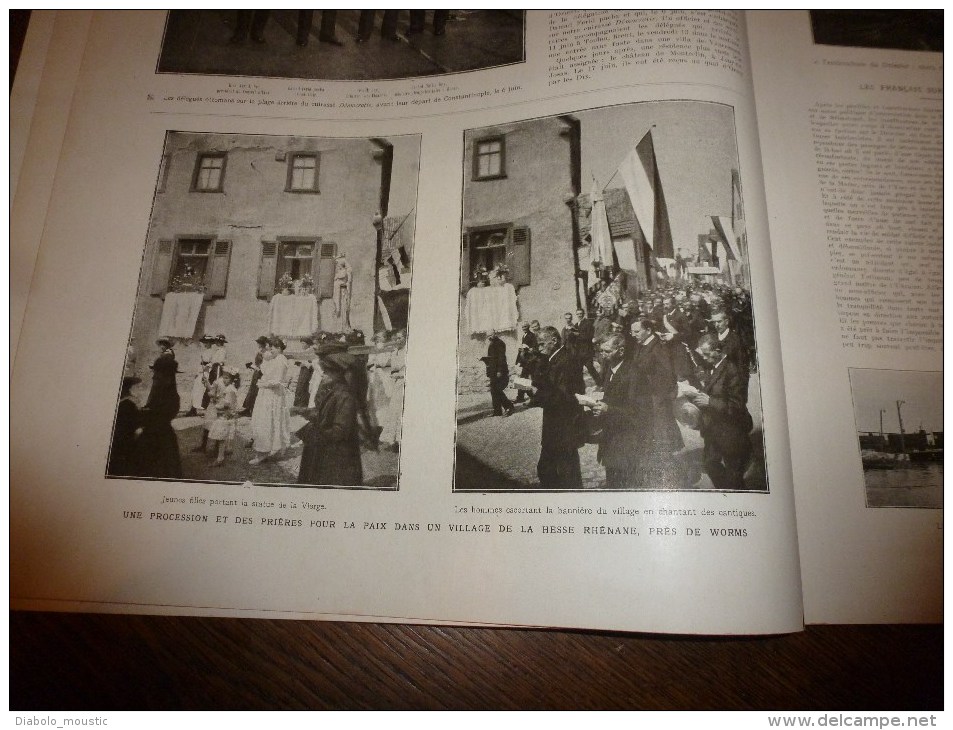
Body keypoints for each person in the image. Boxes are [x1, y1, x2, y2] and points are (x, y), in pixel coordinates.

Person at [687, 334, 754, 490]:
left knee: (734, 477)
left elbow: (737, 405)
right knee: (710, 464)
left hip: (732, 433)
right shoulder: (714, 366)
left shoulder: (733, 370)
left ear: (717, 350)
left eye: (706, 353)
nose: (703, 357)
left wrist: (710, 401)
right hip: (714, 430)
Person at [296, 342, 363, 487]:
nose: (322, 375)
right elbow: (324, 413)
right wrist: (305, 412)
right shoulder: (331, 389)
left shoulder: (345, 395)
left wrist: (316, 433)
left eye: (325, 372)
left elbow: (340, 431)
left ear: (337, 373)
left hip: (337, 457)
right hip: (324, 451)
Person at [531, 327, 584, 490]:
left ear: (553, 341)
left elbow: (562, 396)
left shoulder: (565, 360)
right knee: (551, 469)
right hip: (556, 425)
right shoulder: (554, 359)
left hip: (563, 426)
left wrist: (537, 394)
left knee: (564, 471)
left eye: (541, 344)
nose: (539, 348)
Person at [136, 339, 182, 479]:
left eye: (156, 373)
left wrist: (146, 414)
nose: (155, 375)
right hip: (165, 429)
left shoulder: (162, 383)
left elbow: (155, 411)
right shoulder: (171, 391)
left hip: (157, 430)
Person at [249, 337, 291, 465]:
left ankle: (263, 452)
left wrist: (263, 384)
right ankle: (266, 449)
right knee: (266, 420)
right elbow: (266, 371)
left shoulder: (281, 361)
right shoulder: (275, 359)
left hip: (272, 394)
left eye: (272, 347)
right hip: (267, 394)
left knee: (266, 420)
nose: (270, 349)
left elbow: (277, 381)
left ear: (279, 348)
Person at [108, 376, 141, 477]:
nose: (140, 390)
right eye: (138, 387)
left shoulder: (122, 402)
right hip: (125, 440)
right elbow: (135, 426)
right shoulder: (129, 404)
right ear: (130, 389)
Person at [206, 369, 240, 467]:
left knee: (221, 437)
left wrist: (216, 403)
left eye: (226, 378)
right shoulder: (230, 388)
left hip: (225, 417)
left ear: (232, 379)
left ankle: (220, 458)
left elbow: (227, 404)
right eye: (223, 377)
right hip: (225, 416)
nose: (224, 380)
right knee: (222, 437)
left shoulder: (230, 390)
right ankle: (221, 456)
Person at [481, 330, 514, 417]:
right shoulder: (491, 344)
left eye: (491, 335)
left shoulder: (500, 343)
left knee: (497, 389)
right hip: (493, 370)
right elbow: (491, 358)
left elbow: (501, 358)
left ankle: (509, 406)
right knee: (493, 390)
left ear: (495, 334)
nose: (489, 337)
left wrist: (499, 371)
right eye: (488, 336)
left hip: (499, 371)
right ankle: (497, 411)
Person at [241, 335, 269, 415]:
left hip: (261, 374)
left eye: (259, 343)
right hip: (256, 373)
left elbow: (263, 367)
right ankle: (248, 408)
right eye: (258, 343)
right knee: (252, 390)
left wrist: (252, 366)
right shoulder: (259, 351)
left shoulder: (266, 353)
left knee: (257, 391)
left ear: (263, 344)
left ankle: (253, 410)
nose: (258, 344)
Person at [513, 322, 538, 404]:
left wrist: (527, 348)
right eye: (523, 327)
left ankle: (528, 397)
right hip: (524, 361)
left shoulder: (532, 335)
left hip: (529, 361)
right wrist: (518, 360)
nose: (524, 328)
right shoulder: (524, 335)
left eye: (525, 327)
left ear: (528, 327)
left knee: (524, 379)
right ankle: (522, 397)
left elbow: (534, 348)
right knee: (523, 379)